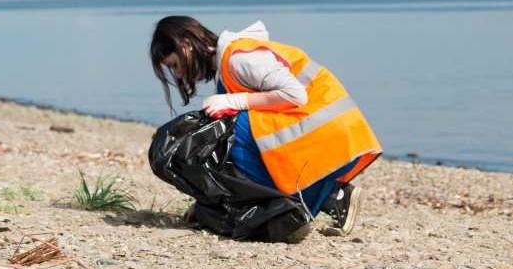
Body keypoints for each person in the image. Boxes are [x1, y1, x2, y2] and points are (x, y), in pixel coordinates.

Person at [149, 16, 382, 235]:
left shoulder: (240, 59)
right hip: (325, 131)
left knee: (225, 134)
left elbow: (294, 95)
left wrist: (235, 100)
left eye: (175, 65)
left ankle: (320, 196)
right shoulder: (227, 68)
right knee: (224, 131)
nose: (178, 75)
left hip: (329, 131)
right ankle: (330, 198)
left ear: (186, 45)